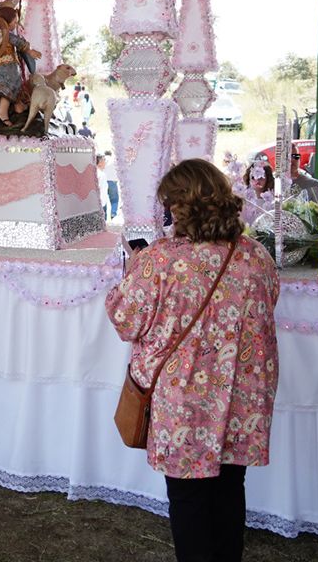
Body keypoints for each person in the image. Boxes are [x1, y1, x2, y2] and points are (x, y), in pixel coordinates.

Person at [106, 159, 279, 562]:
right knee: (230, 488)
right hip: (244, 394)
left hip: (185, 400)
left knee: (189, 497)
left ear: (178, 208)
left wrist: (131, 270)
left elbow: (125, 321)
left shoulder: (159, 260)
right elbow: (268, 302)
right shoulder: (255, 256)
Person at [101, 150, 120, 219]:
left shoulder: (103, 159)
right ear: (110, 154)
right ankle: (113, 213)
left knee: (103, 198)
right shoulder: (114, 160)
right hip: (113, 181)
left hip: (103, 181)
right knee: (114, 199)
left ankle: (104, 215)